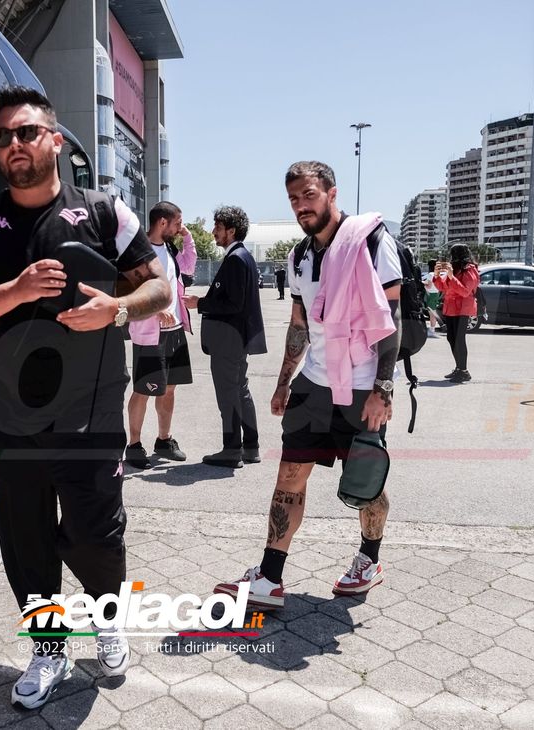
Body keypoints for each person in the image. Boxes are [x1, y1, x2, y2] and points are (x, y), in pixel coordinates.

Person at [0, 85, 169, 709]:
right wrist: (15, 290)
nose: (13, 144)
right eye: (2, 136)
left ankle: (108, 621)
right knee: (26, 543)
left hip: (90, 412)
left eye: (27, 132)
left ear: (56, 141)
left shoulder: (104, 212)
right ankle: (49, 649)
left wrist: (116, 309)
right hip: (15, 414)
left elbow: (160, 290)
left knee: (96, 537)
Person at [213, 160, 401, 608]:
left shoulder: (372, 241)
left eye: (309, 195)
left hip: (362, 387)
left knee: (366, 482)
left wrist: (383, 389)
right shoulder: (300, 256)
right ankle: (270, 577)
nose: (301, 205)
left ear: (332, 194)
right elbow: (299, 326)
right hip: (314, 384)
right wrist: (284, 382)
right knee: (289, 477)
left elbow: (392, 319)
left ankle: (369, 559)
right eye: (294, 198)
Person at [183, 205, 266, 468]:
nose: (213, 232)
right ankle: (250, 447)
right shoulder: (243, 256)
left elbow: (233, 304)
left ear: (231, 231)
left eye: (218, 227)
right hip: (236, 339)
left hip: (228, 340)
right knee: (240, 391)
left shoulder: (236, 259)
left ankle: (231, 450)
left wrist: (200, 303)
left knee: (228, 395)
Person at [124, 201, 196, 469]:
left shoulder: (170, 248)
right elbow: (128, 292)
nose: (180, 227)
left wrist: (188, 239)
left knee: (169, 389)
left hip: (175, 331)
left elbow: (188, 268)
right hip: (149, 335)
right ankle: (134, 446)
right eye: (178, 223)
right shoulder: (137, 251)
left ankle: (164, 440)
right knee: (143, 390)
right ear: (162, 222)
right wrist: (155, 310)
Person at [433, 244, 479, 382]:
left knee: (459, 339)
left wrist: (451, 276)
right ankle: (459, 368)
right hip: (451, 308)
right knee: (451, 338)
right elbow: (442, 287)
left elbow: (465, 291)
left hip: (462, 308)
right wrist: (436, 275)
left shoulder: (470, 270)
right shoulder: (454, 268)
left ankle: (464, 371)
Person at [422, 272, 442, 338]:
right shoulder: (438, 275)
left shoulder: (431, 274)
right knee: (433, 313)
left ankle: (431, 331)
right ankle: (432, 330)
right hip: (436, 294)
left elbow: (429, 286)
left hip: (431, 295)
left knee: (432, 314)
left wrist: (422, 283)